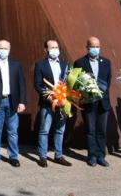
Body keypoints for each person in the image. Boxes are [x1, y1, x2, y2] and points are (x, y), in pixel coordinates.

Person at [0, 40, 27, 168]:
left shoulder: (16, 65)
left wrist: (22, 102)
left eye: (6, 48)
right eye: (1, 48)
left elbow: (22, 85)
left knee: (12, 131)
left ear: (10, 49)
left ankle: (13, 156)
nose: (3, 50)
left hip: (12, 101)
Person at [75, 37, 111, 167]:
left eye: (97, 46)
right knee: (91, 130)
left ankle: (101, 156)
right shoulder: (79, 62)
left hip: (103, 102)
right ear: (87, 47)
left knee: (102, 130)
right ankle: (91, 155)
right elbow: (77, 83)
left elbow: (108, 81)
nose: (95, 49)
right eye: (92, 46)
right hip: (89, 102)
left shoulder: (106, 62)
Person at [34, 39, 71, 167]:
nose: (55, 50)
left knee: (60, 130)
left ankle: (58, 155)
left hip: (62, 102)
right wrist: (49, 96)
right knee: (44, 130)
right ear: (46, 50)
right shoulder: (40, 65)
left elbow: (70, 83)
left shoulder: (65, 65)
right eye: (52, 47)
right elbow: (38, 85)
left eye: (56, 47)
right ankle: (43, 157)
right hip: (48, 103)